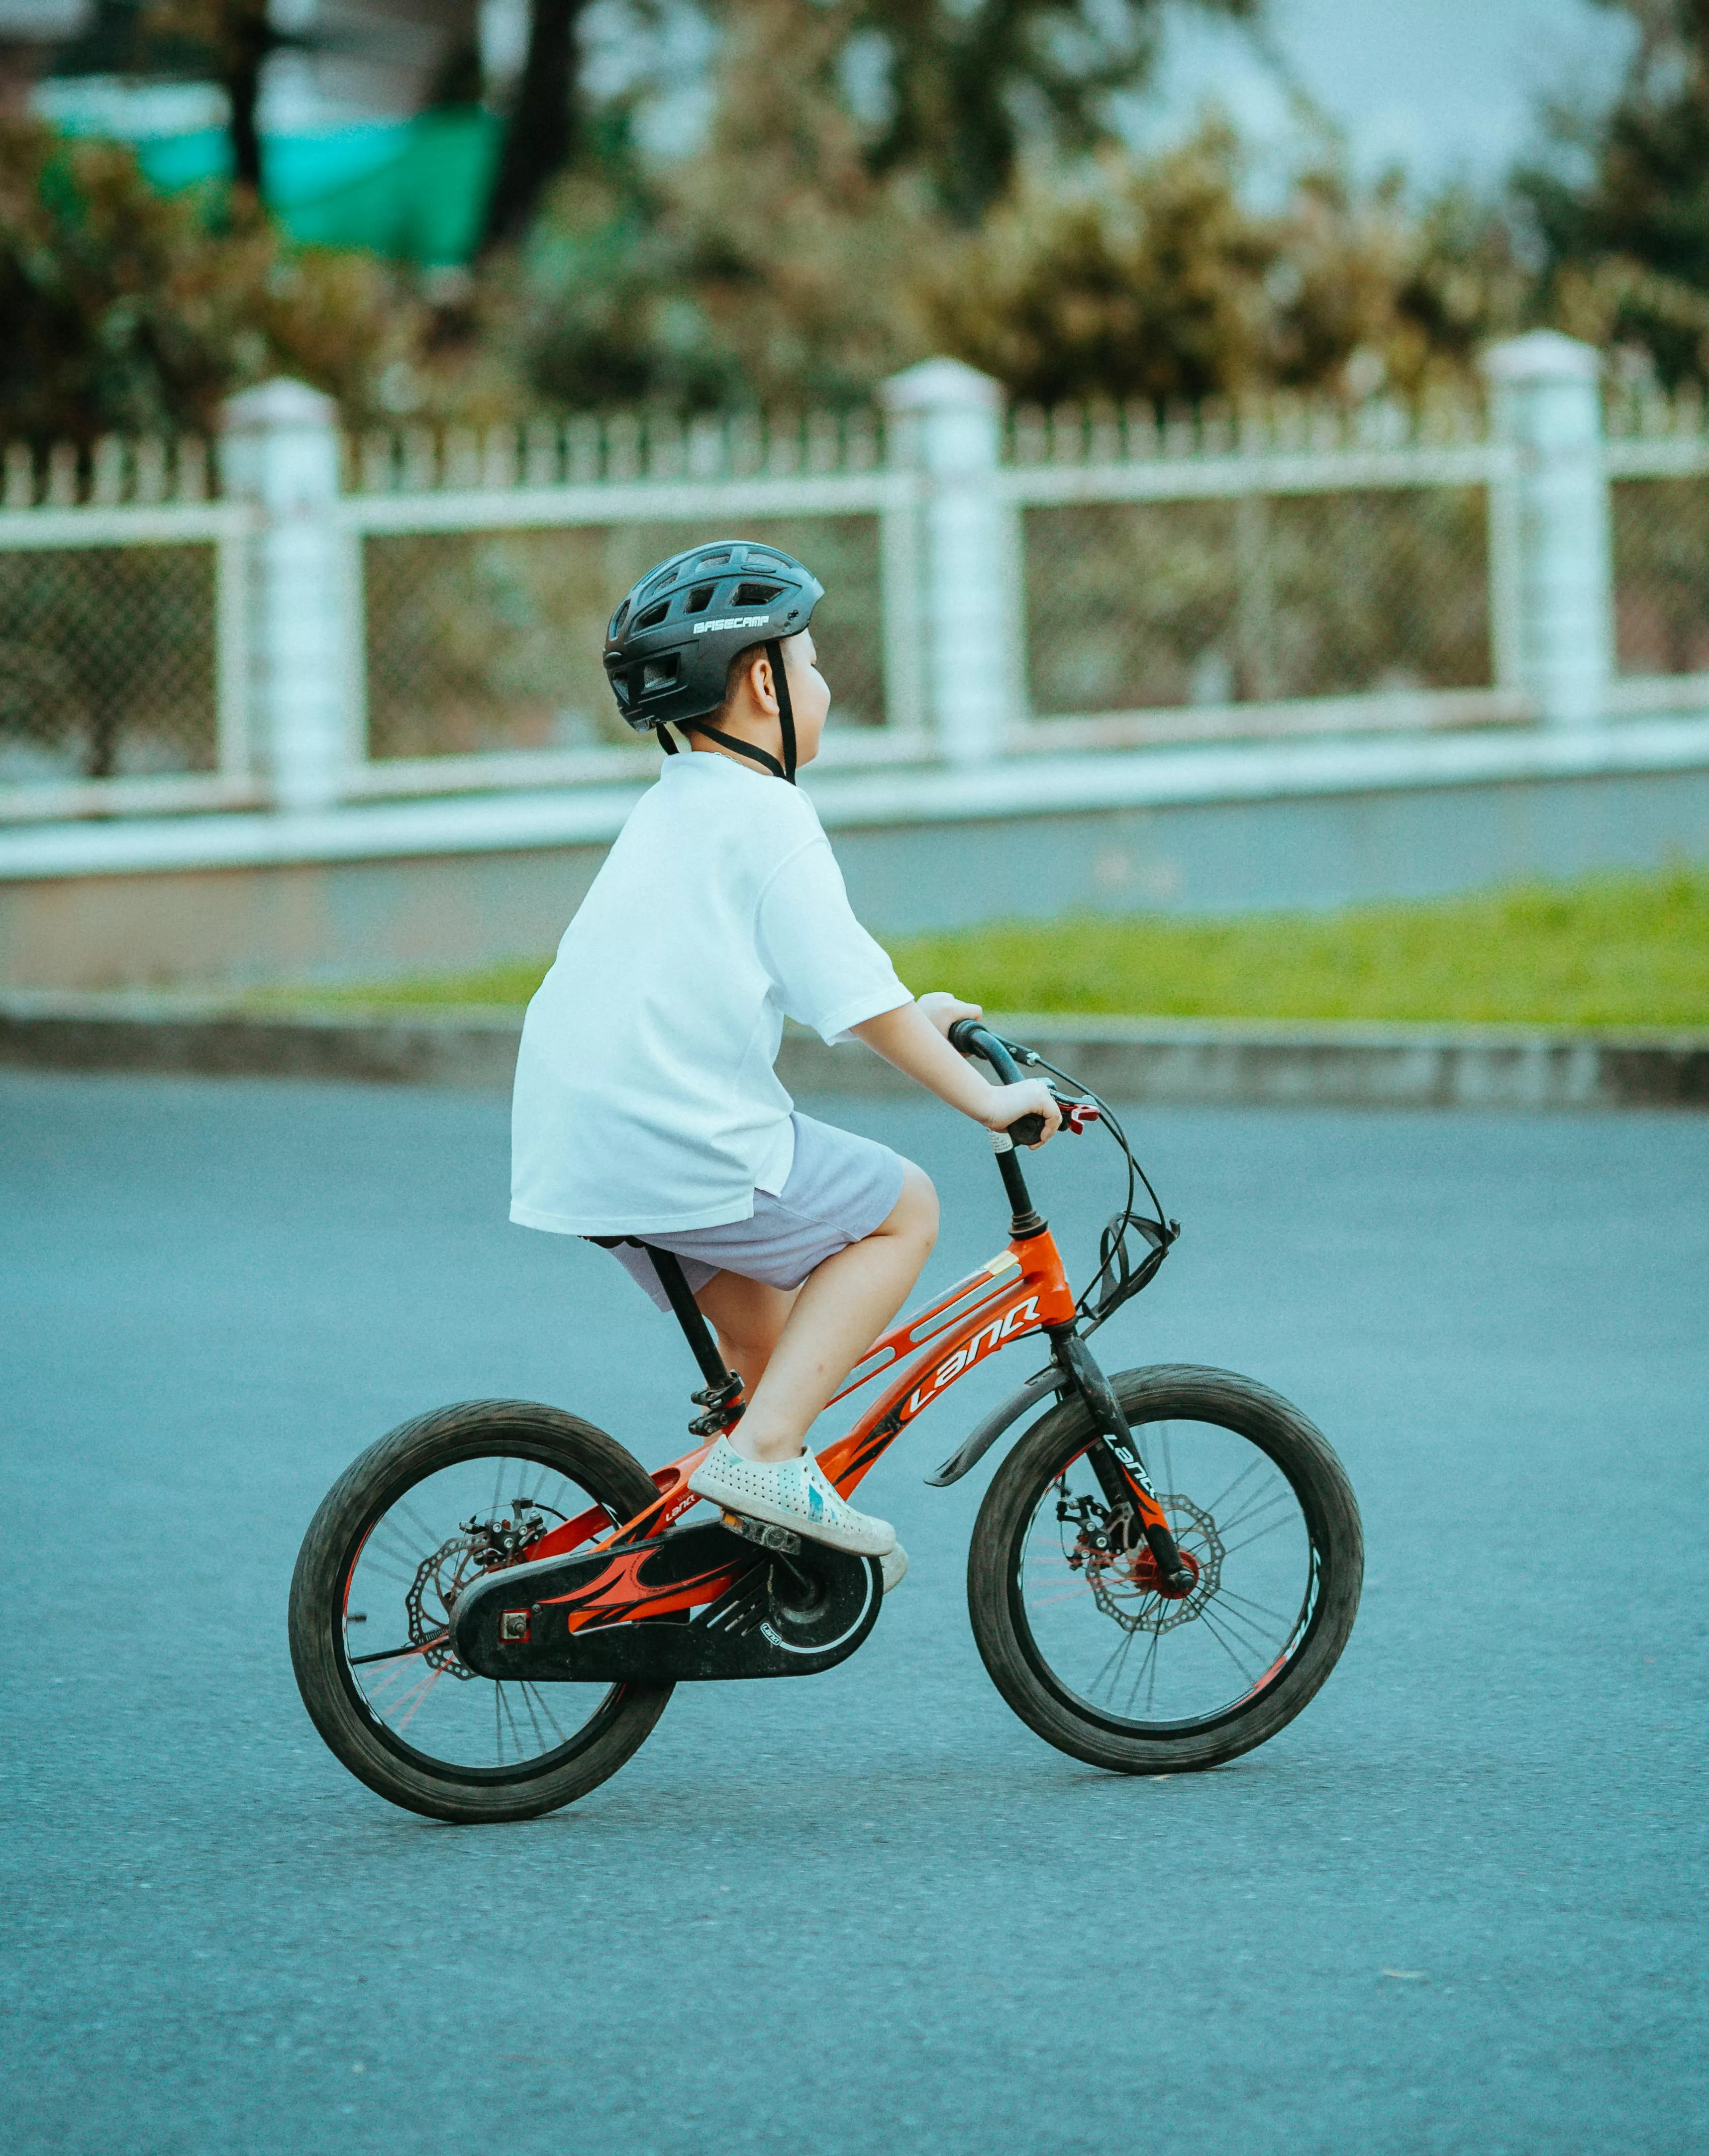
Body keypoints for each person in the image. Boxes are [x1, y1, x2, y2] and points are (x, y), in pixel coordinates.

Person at [509, 539, 1059, 1566]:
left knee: (771, 1350)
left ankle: (756, 1542)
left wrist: (914, 1013)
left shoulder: (676, 805)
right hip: (672, 1134)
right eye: (809, 662)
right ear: (763, 684)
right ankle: (764, 1457)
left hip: (579, 1133)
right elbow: (856, 1001)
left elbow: (832, 984)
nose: (824, 684)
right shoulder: (768, 815)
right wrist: (986, 1101)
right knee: (905, 1209)